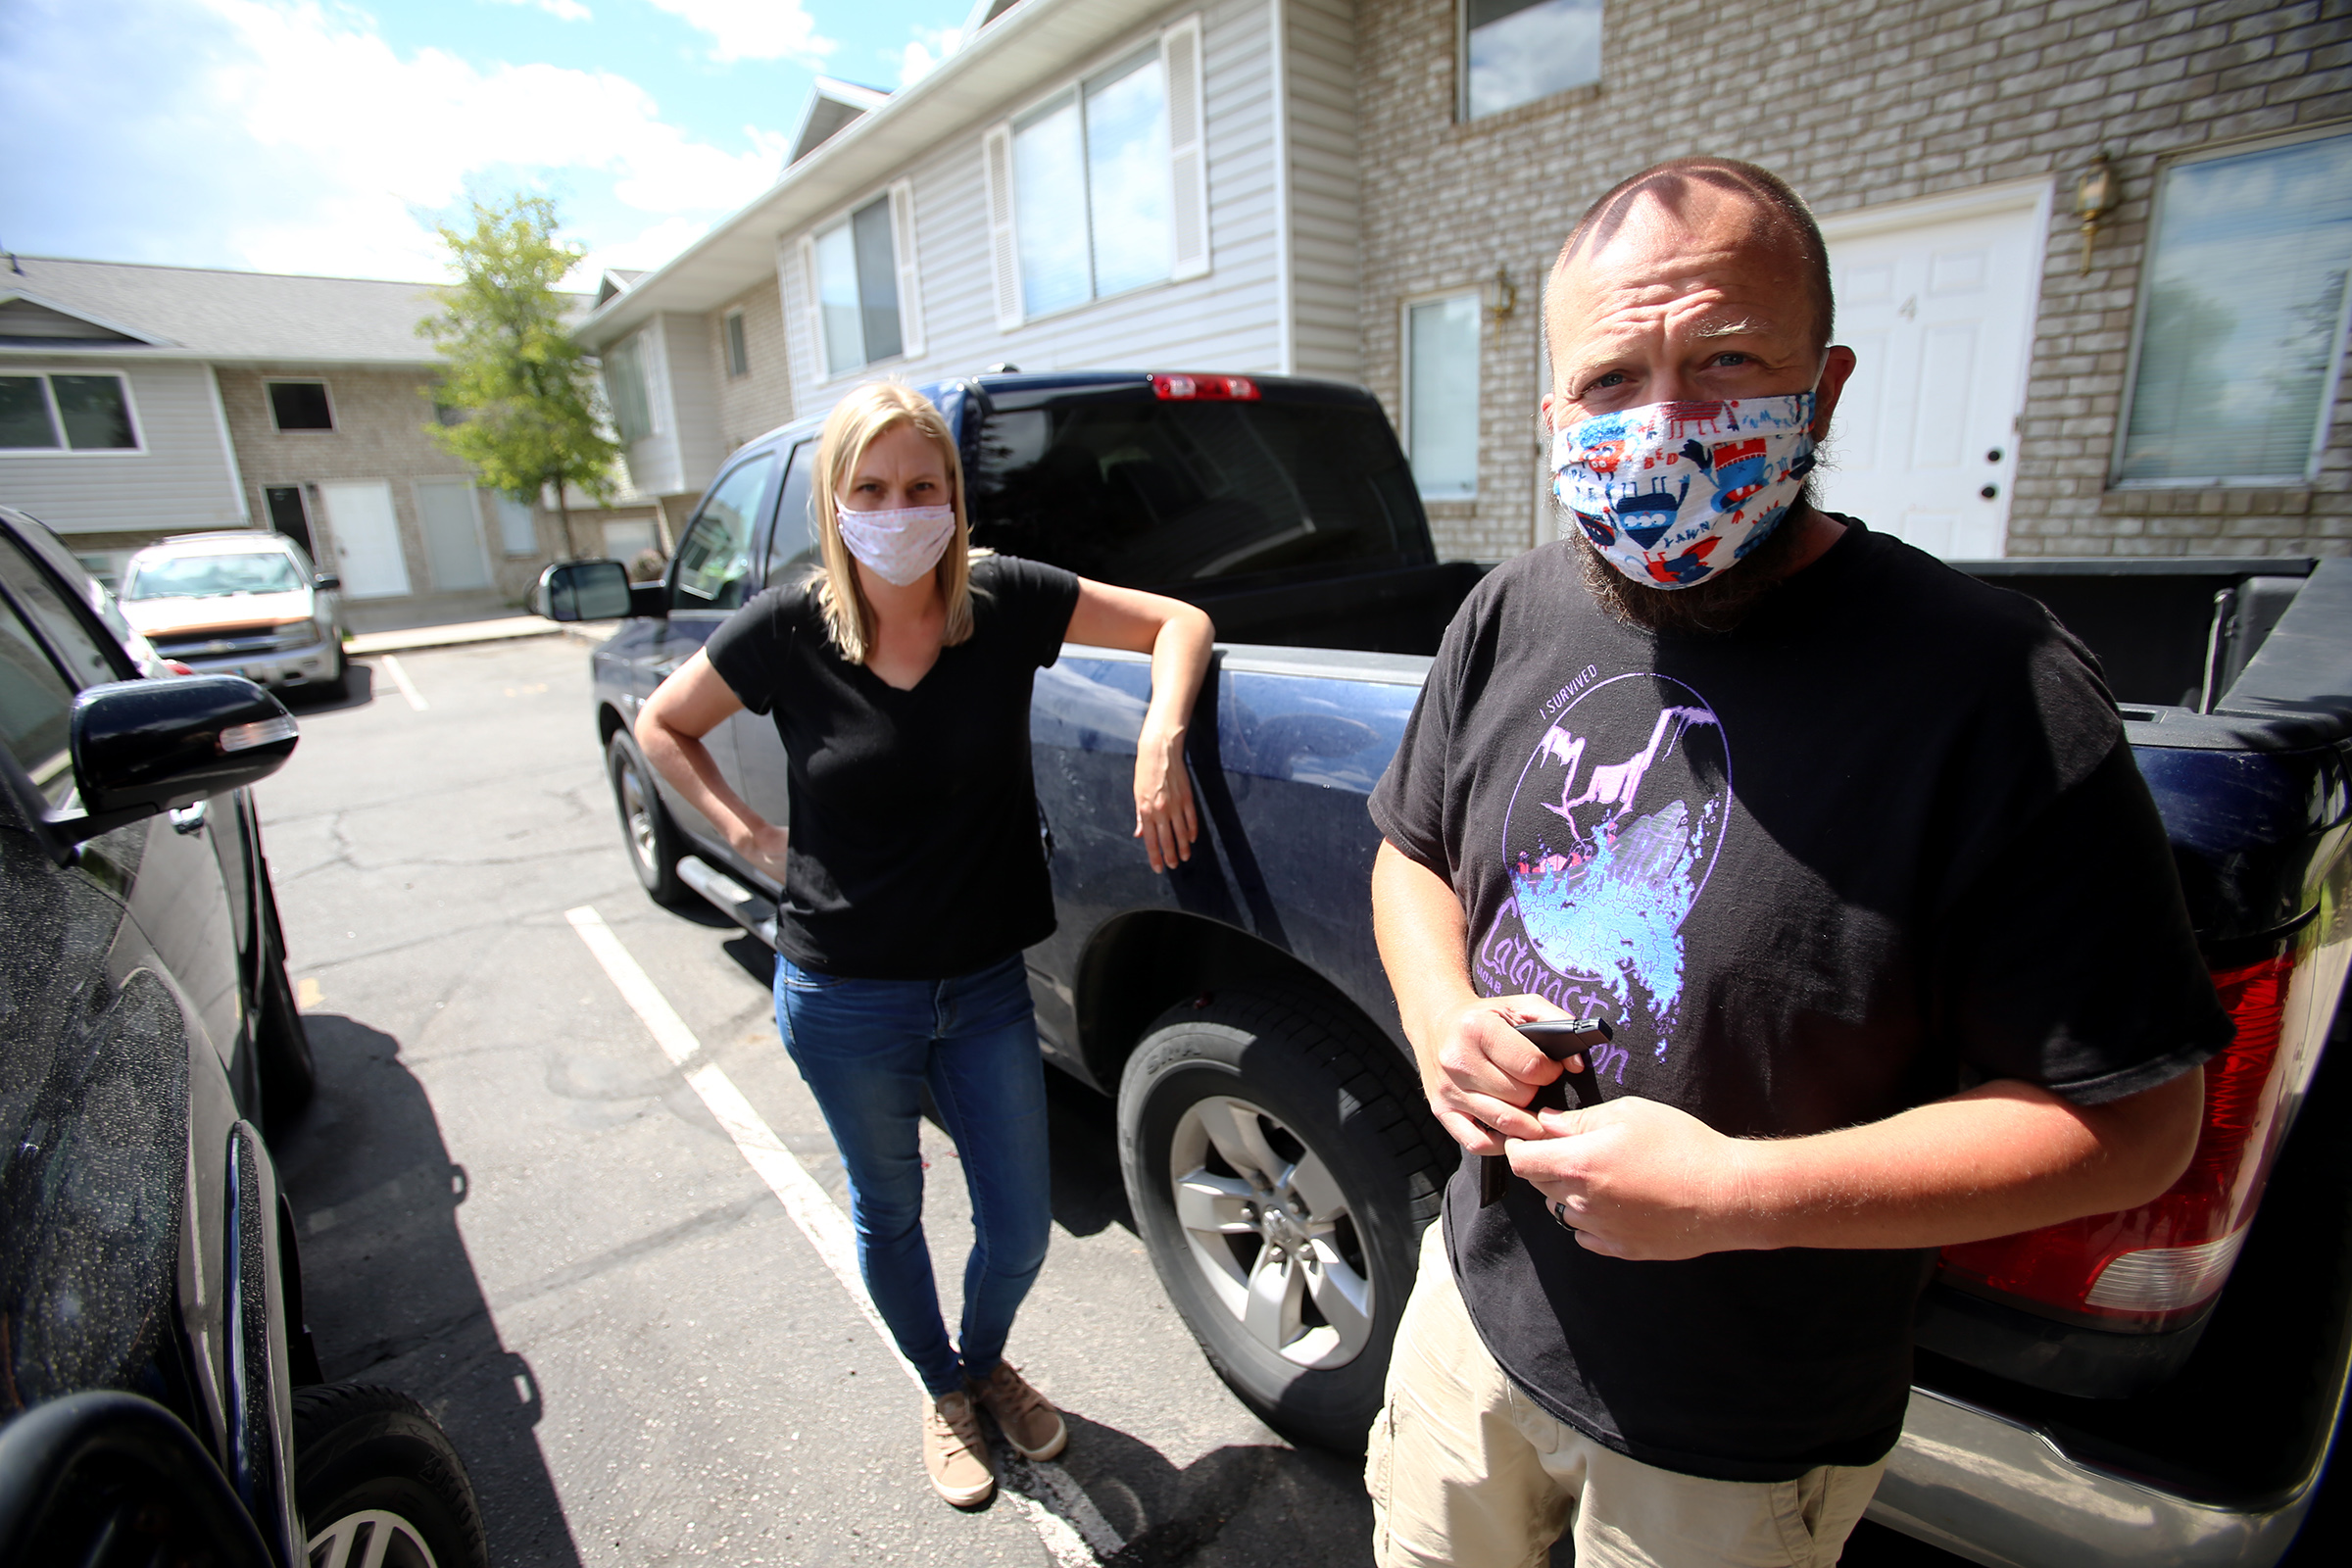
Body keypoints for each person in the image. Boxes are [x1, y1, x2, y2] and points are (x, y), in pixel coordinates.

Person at [1363, 158, 2230, 1568]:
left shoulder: (1994, 691)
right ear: (1551, 414)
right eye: (1610, 382)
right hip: (1470, 1335)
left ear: (1822, 394)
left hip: (1737, 1448)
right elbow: (1412, 856)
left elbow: (2132, 1126)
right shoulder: (1510, 613)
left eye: (1725, 362)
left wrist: (1732, 1197)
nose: (1663, 425)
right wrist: (1438, 1018)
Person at [635, 380, 1213, 1508]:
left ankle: (985, 1354)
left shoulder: (1000, 601)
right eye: (873, 489)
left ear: (954, 495)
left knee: (1017, 1223)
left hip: (986, 989)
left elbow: (1177, 624)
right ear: (834, 500)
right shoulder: (788, 628)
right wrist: (751, 832)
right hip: (844, 994)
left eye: (923, 487)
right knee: (888, 1207)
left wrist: (1164, 731)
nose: (899, 509)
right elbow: (664, 724)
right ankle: (945, 1387)